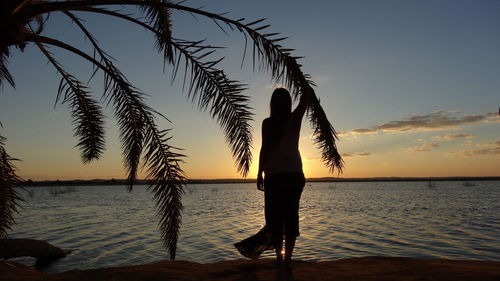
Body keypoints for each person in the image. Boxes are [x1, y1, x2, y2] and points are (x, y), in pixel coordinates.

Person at [234, 87, 310, 267]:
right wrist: (301, 82)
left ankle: (279, 258)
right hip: (293, 176)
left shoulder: (268, 123)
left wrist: (259, 173)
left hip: (275, 176)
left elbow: (264, 150)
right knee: (291, 216)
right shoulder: (294, 119)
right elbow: (306, 99)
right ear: (288, 103)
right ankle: (287, 259)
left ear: (272, 104)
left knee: (275, 219)